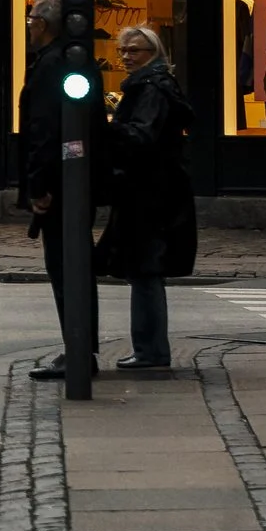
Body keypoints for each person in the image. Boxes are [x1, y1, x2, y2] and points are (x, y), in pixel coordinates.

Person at [20, 1, 113, 379]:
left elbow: (44, 128)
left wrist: (39, 186)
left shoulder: (50, 63)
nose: (28, 27)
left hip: (61, 182)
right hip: (78, 177)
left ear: (41, 24)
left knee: (65, 266)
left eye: (30, 21)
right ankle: (81, 348)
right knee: (75, 264)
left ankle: (79, 351)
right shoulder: (79, 58)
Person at [101, 25, 195, 376]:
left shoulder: (151, 88)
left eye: (135, 50)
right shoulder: (149, 85)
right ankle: (150, 349)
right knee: (143, 270)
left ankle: (151, 351)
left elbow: (141, 136)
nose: (127, 56)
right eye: (123, 49)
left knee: (144, 271)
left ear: (153, 53)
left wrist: (107, 126)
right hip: (153, 190)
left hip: (149, 192)